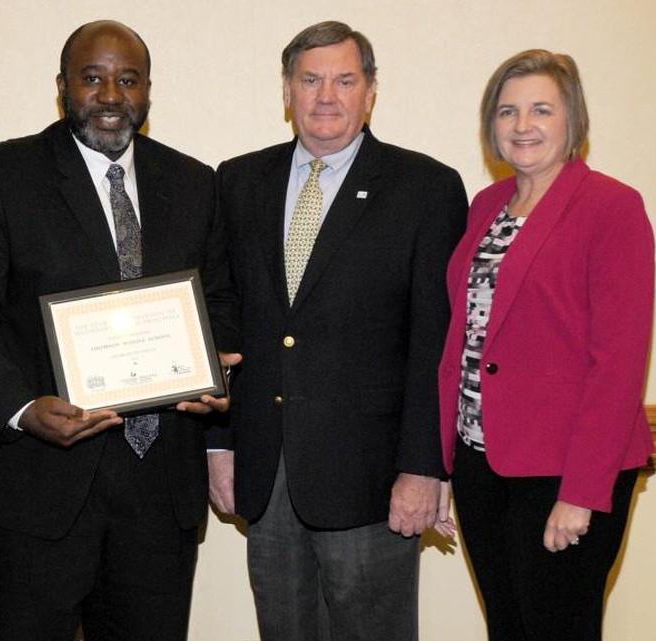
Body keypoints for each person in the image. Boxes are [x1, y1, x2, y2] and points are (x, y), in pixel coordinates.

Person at [0, 20, 235, 641]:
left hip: (159, 491)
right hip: (37, 490)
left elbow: (221, 299)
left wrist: (218, 370)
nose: (111, 95)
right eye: (92, 78)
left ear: (148, 91)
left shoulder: (195, 182)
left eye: (128, 79)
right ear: (62, 86)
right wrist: (19, 407)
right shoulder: (1, 174)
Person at [208, 20, 467, 641]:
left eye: (345, 80)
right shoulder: (238, 182)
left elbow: (436, 342)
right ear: (287, 89)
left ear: (370, 91)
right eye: (311, 79)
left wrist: (424, 468)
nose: (327, 95)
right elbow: (223, 318)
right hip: (266, 474)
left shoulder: (426, 188)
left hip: (374, 482)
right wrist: (219, 443)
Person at [437, 49, 655, 641]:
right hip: (482, 462)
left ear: (572, 120)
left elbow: (618, 362)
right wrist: (443, 461)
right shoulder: (486, 208)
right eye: (507, 111)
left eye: (541, 109)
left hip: (567, 471)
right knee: (508, 627)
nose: (522, 125)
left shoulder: (612, 207)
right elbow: (464, 337)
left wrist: (581, 493)